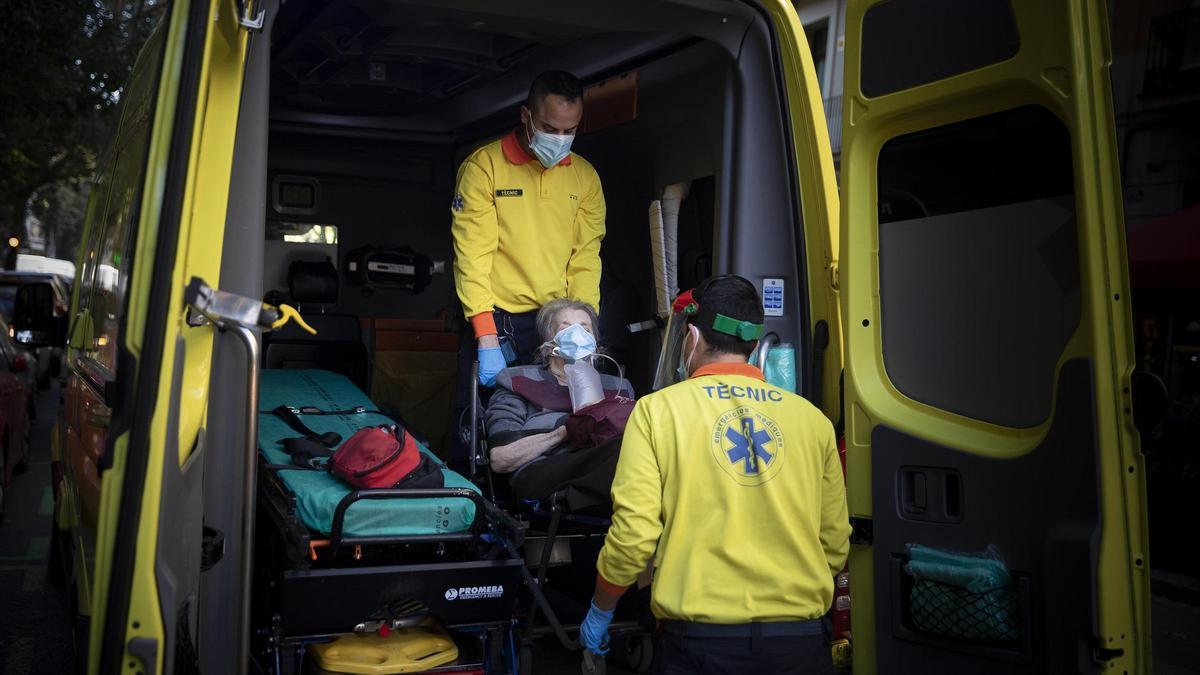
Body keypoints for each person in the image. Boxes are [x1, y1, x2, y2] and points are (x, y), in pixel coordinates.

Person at [579, 275, 851, 674]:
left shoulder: (657, 412)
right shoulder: (814, 422)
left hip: (700, 647)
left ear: (691, 337)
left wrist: (601, 609)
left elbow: (634, 538)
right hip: (800, 645)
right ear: (755, 346)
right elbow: (834, 543)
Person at [451, 70, 606, 391]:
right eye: (550, 128)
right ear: (526, 116)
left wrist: (583, 329)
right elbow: (473, 255)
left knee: (554, 422)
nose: (559, 138)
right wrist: (486, 336)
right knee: (483, 424)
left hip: (557, 324)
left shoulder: (585, 177)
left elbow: (586, 258)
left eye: (569, 130)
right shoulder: (484, 168)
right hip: (498, 323)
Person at [485, 298, 631, 477]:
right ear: (549, 342)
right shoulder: (518, 380)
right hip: (546, 471)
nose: (577, 334)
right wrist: (565, 432)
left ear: (595, 342)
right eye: (566, 328)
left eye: (585, 329)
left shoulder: (619, 387)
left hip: (609, 469)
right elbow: (500, 459)